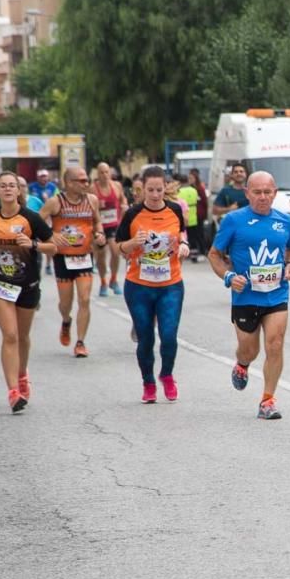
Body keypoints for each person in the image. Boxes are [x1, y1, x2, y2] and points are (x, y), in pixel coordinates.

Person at [209, 171, 290, 420]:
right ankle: (243, 363)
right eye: (257, 192)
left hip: (276, 294)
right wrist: (228, 277)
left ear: (275, 193)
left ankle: (267, 400)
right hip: (245, 297)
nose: (262, 197)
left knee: (275, 343)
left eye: (267, 192)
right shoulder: (233, 220)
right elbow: (214, 255)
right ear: (247, 193)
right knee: (249, 350)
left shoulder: (286, 221)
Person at [0, 171, 56, 412]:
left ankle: (21, 375)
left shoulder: (31, 218)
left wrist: (34, 245)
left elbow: (54, 247)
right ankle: (13, 392)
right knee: (10, 334)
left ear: (19, 191)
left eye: (12, 186)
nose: (8, 189)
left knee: (23, 337)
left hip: (26, 286)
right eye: (3, 186)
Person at [115, 167, 189, 403]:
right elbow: (118, 247)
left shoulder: (175, 210)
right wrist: (132, 243)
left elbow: (182, 234)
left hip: (171, 284)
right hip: (139, 286)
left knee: (168, 336)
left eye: (159, 189)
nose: (155, 195)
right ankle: (148, 383)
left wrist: (184, 245)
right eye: (150, 190)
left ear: (165, 188)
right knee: (145, 338)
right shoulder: (133, 214)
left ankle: (166, 375)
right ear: (142, 189)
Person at [40, 167, 106, 357]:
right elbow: (36, 222)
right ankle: (66, 320)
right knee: (65, 303)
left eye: (87, 180)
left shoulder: (92, 200)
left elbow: (98, 222)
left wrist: (99, 234)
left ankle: (80, 342)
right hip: (63, 258)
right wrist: (51, 236)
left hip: (84, 256)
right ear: (69, 183)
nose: (86, 184)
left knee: (84, 299)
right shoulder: (55, 203)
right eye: (82, 181)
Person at [90, 162, 128, 296]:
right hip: (99, 226)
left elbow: (123, 200)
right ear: (97, 174)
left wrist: (124, 206)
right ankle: (103, 282)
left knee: (115, 251)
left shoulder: (116, 186)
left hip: (113, 224)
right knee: (101, 256)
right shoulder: (92, 189)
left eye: (107, 172)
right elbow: (87, 206)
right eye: (102, 172)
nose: (105, 175)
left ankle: (113, 279)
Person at [176, 172, 202, 261]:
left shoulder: (179, 192)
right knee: (193, 237)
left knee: (184, 237)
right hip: (193, 217)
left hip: (184, 217)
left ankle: (186, 253)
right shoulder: (193, 190)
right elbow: (197, 200)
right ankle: (194, 255)